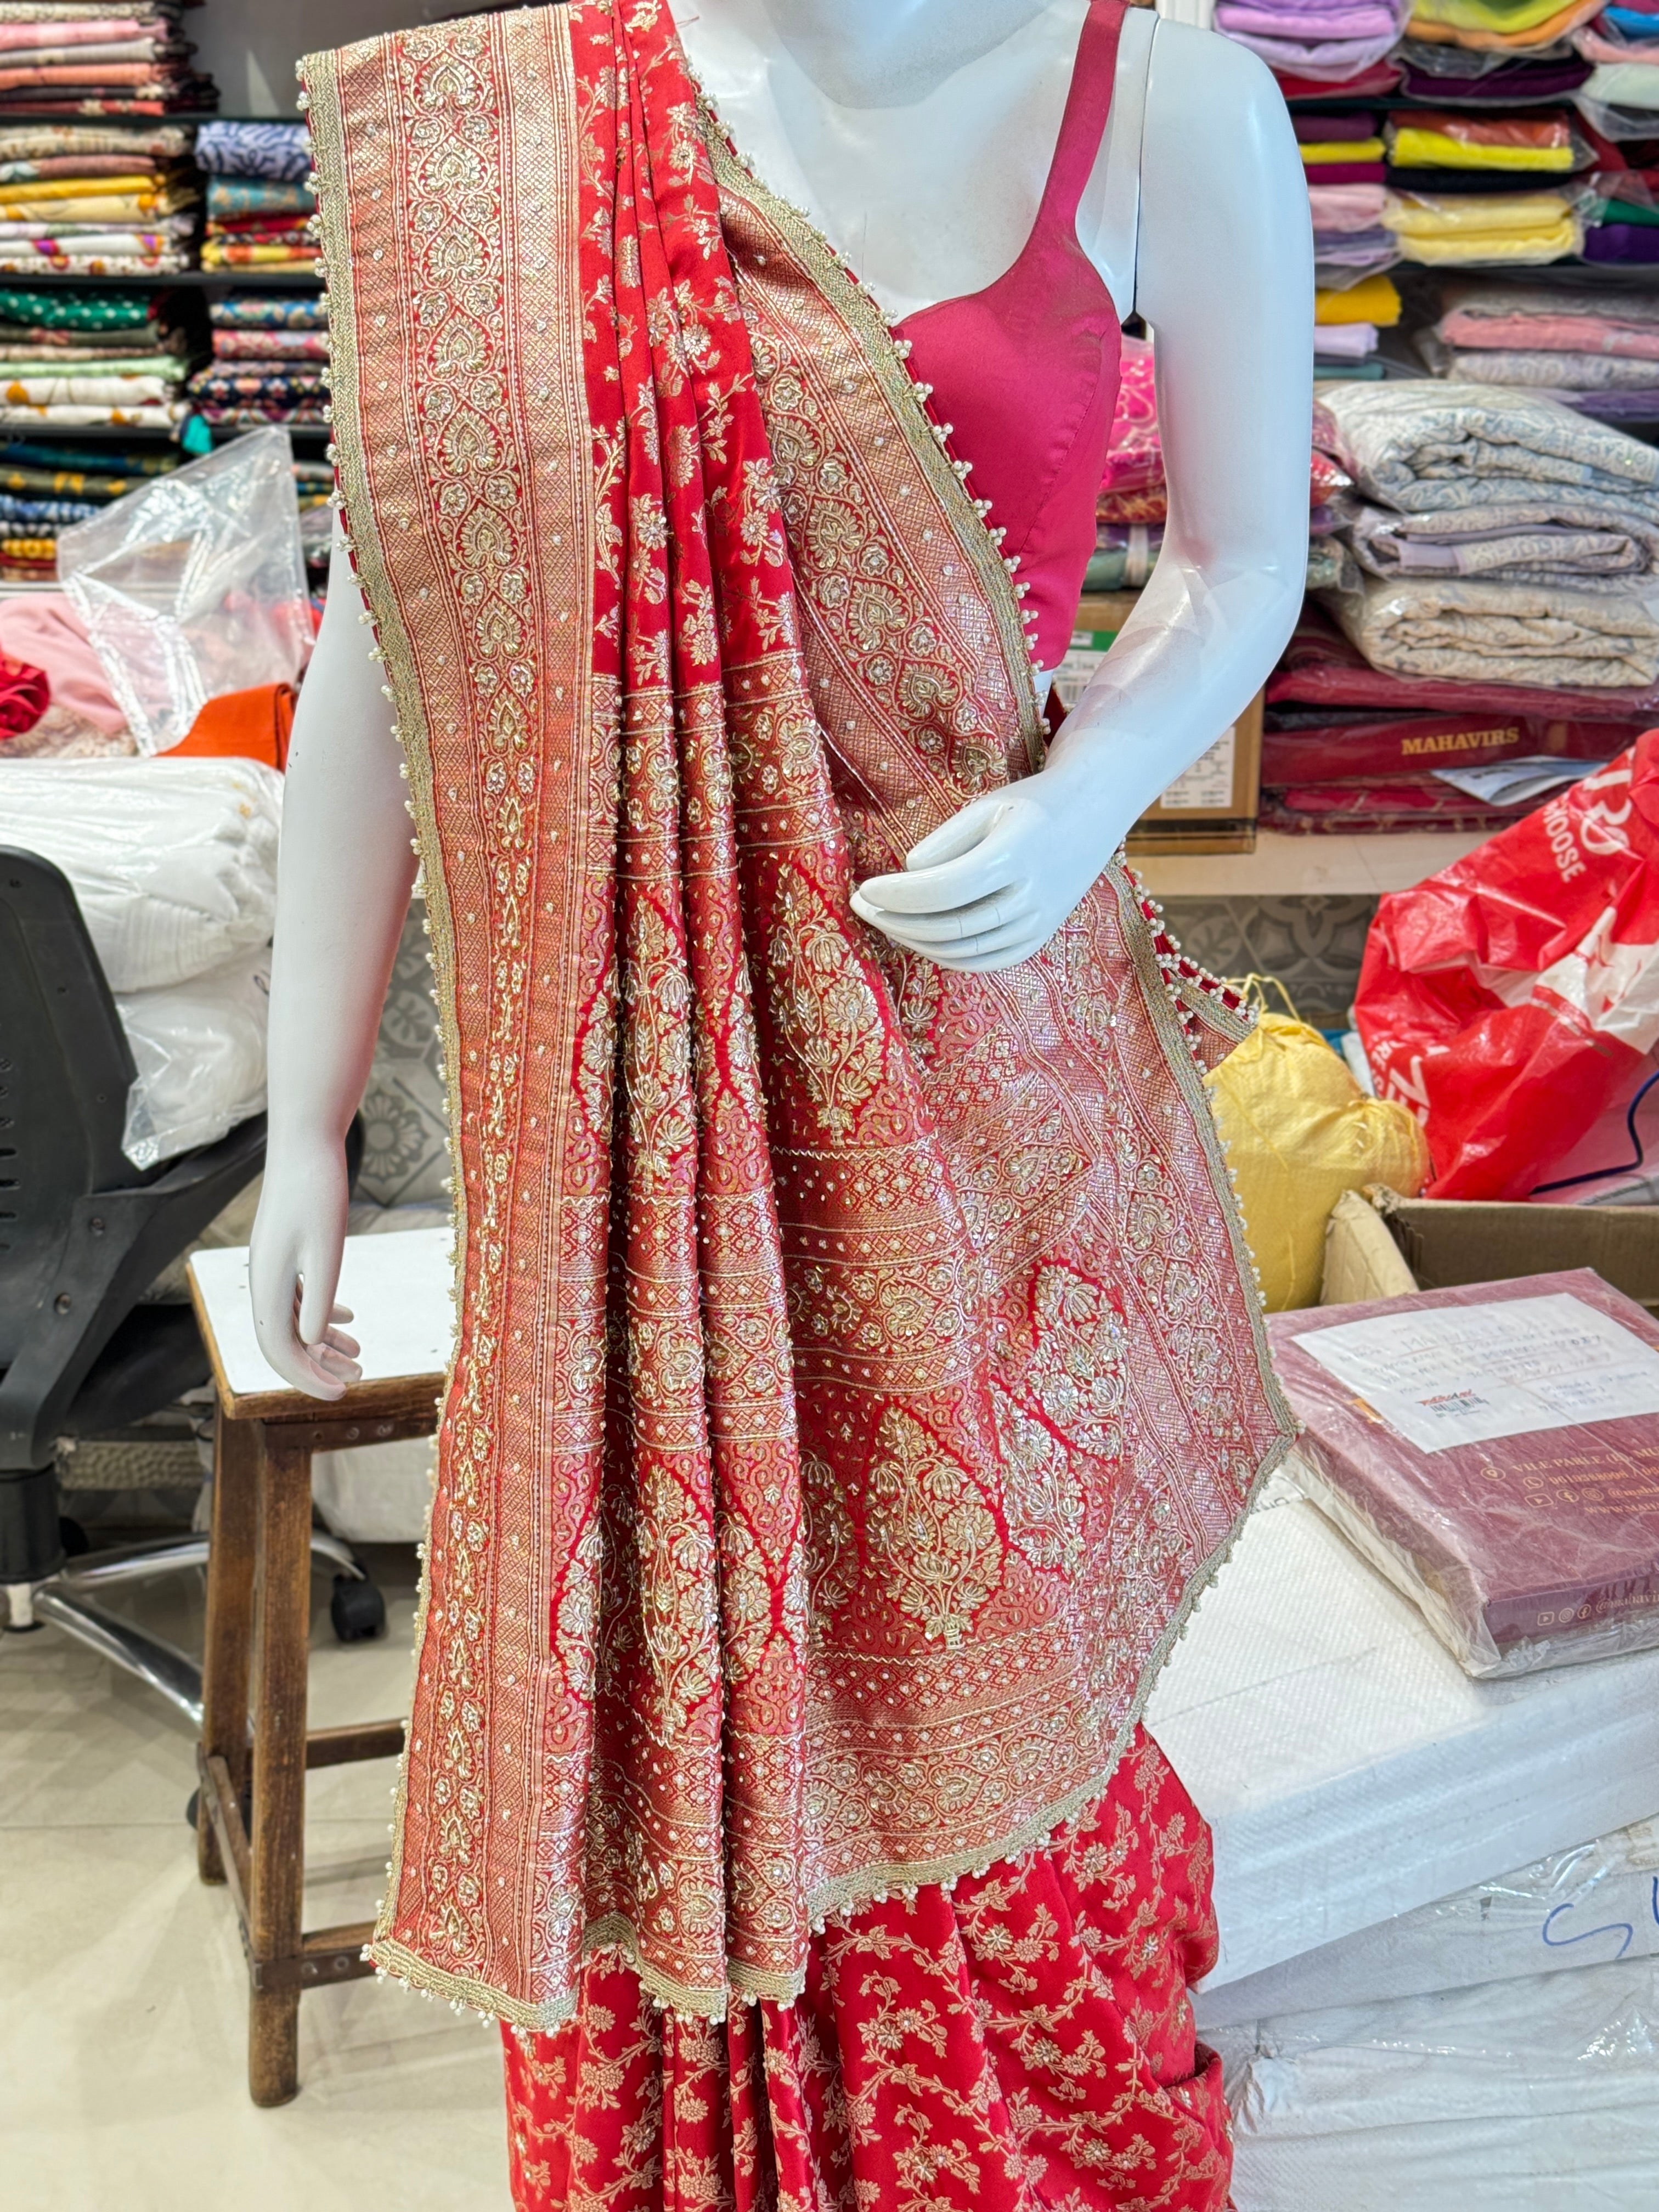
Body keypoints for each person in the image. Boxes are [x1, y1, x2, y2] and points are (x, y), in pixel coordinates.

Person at [264, 0, 1311, 2199]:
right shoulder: (508, 138)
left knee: (995, 1717)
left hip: (977, 1089)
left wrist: (1097, 791)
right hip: (627, 1138)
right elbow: (389, 633)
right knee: (664, 1702)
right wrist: (304, 1121)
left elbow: (1237, 564)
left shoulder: (1171, 92)